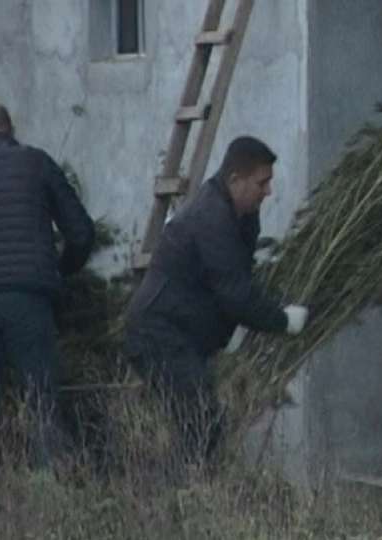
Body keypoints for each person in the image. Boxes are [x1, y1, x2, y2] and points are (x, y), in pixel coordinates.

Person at [124, 136, 309, 462]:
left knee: (198, 424)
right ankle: (180, 498)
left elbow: (239, 277)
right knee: (200, 421)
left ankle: (185, 492)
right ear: (235, 180)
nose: (268, 192)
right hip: (158, 334)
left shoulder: (242, 215)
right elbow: (235, 294)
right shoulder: (210, 218)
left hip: (181, 334)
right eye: (262, 183)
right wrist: (284, 321)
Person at [0, 102, 95, 483]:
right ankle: (53, 490)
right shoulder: (36, 163)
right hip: (28, 299)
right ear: (11, 129)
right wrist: (58, 272)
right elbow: (81, 233)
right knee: (42, 398)